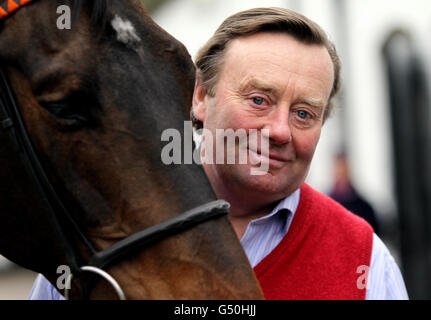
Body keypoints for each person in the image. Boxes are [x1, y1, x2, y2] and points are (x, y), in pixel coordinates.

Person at [29, 7, 408, 300]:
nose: (279, 131)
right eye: (259, 100)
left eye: (304, 113)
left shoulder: (364, 260)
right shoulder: (96, 234)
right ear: (200, 98)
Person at [329, 152, 381, 234]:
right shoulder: (326, 206)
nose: (342, 172)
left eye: (344, 168)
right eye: (339, 168)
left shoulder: (364, 207)